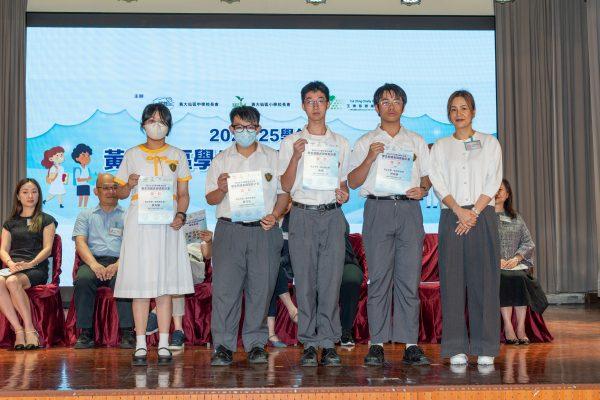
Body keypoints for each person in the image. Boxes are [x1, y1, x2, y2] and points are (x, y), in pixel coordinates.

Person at [348, 83, 431, 366]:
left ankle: (410, 344)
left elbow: (427, 176)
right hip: (378, 209)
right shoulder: (365, 141)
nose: (391, 106)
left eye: (396, 101)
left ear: (404, 106)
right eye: (385, 101)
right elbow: (353, 181)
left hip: (409, 210)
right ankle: (376, 343)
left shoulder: (416, 141)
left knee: (409, 279)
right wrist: (370, 157)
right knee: (379, 279)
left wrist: (423, 189)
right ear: (376, 108)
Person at [206, 105, 289, 366]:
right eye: (239, 127)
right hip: (229, 230)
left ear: (258, 129)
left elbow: (284, 194)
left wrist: (275, 215)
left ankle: (255, 344)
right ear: (231, 129)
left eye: (250, 127)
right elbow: (211, 198)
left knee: (261, 290)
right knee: (225, 291)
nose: (245, 131)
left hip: (264, 230)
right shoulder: (221, 159)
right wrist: (221, 188)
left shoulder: (273, 157)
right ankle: (223, 346)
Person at [114, 103, 194, 366]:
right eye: (151, 120)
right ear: (143, 124)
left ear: (169, 126)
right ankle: (140, 343)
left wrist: (180, 215)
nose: (156, 125)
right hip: (140, 223)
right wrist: (129, 184)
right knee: (140, 285)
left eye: (161, 121)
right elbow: (120, 192)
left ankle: (163, 343)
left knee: (165, 285)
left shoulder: (177, 155)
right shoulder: (132, 154)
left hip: (167, 225)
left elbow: (183, 194)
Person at [278, 81, 350, 367]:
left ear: (328, 104)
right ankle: (309, 342)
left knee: (331, 282)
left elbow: (343, 184)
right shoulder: (290, 143)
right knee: (305, 281)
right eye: (310, 101)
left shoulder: (340, 143)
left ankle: (329, 342)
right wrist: (296, 156)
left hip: (331, 215)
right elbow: (285, 185)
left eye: (321, 100)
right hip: (302, 215)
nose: (316, 106)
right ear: (303, 105)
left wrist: (344, 194)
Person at [429, 90, 502, 366]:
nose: (458, 113)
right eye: (453, 109)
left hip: (482, 216)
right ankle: (455, 346)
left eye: (463, 108)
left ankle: (485, 346)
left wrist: (473, 213)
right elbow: (437, 181)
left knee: (484, 282)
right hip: (452, 216)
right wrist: (460, 212)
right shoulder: (441, 146)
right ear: (448, 114)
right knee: (452, 282)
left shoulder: (489, 143)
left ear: (473, 111)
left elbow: (493, 180)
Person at [71, 173, 134, 349]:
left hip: (121, 260)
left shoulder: (128, 215)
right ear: (96, 191)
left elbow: (133, 244)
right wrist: (94, 264)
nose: (111, 191)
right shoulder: (85, 215)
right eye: (106, 188)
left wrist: (118, 264)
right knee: (83, 279)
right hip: (93, 261)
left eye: (114, 187)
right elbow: (80, 242)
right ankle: (86, 333)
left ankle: (128, 332)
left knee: (123, 280)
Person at [0, 178, 57, 350]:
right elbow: (3, 250)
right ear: (18, 196)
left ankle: (30, 329)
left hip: (36, 267)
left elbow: (47, 249)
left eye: (34, 192)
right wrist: (10, 263)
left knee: (12, 281)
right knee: (1, 280)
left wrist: (31, 263)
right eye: (25, 192)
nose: (30, 196)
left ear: (39, 195)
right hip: (14, 267)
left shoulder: (47, 220)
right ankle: (18, 330)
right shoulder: (10, 223)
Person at [495, 179, 548, 345]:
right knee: (504, 278)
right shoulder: (484, 218)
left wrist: (517, 258)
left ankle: (521, 328)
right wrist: (496, 259)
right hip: (494, 266)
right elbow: (480, 243)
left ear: (507, 194)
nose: (497, 193)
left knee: (520, 278)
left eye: (500, 189)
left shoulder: (516, 217)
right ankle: (508, 326)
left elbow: (528, 242)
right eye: (494, 189)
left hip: (516, 264)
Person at [146, 230, 213, 350]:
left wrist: (208, 241)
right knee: (175, 274)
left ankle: (156, 312)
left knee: (176, 271)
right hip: (173, 269)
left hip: (193, 267)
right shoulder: (168, 232)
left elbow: (207, 255)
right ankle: (178, 330)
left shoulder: (198, 233)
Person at [266, 211, 298, 348]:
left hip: (289, 267)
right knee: (271, 271)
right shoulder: (266, 218)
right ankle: (292, 309)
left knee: (273, 270)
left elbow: (294, 252)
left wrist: (276, 261)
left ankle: (271, 333)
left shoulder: (294, 220)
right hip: (269, 267)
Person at [72, 143, 93, 208]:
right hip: (80, 185)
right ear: (77, 158)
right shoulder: (78, 169)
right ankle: (80, 206)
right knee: (81, 196)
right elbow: (78, 179)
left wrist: (90, 179)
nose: (86, 158)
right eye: (83, 155)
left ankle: (85, 206)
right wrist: (87, 179)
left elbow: (89, 178)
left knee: (86, 196)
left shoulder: (87, 168)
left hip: (86, 185)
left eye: (88, 156)